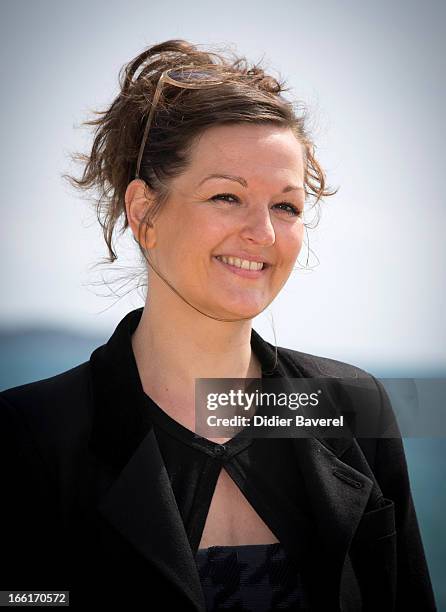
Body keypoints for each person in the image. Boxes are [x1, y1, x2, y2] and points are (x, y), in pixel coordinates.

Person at [0, 39, 436, 612]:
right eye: (227, 196)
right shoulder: (25, 436)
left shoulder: (352, 406)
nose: (264, 233)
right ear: (143, 213)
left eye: (287, 206)